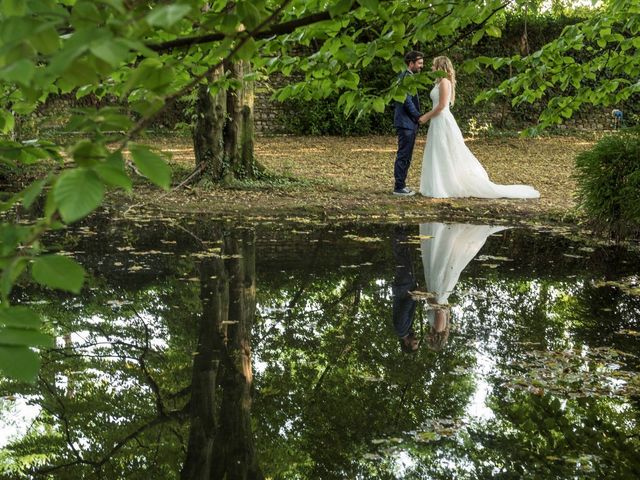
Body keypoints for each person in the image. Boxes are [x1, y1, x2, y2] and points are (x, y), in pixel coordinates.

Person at [418, 56, 540, 199]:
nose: (431, 68)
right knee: (438, 151)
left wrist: (426, 116)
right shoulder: (439, 82)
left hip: (442, 120)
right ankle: (438, 183)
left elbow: (442, 105)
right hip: (437, 121)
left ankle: (446, 185)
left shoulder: (444, 82)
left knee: (444, 150)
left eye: (433, 66)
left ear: (440, 67)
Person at [392, 50, 427, 197]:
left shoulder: (408, 77)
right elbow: (406, 101)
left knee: (406, 155)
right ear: (410, 63)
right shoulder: (405, 77)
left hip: (408, 123)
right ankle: (399, 187)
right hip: (406, 123)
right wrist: (418, 116)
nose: (421, 66)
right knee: (403, 155)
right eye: (419, 63)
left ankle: (402, 184)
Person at [391, 226, 419, 353]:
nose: (416, 340)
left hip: (403, 288)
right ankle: (401, 233)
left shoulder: (401, 329)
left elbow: (404, 310)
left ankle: (399, 231)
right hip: (405, 288)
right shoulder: (405, 330)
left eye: (414, 343)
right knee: (406, 260)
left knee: (402, 260)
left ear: (406, 343)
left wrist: (415, 295)